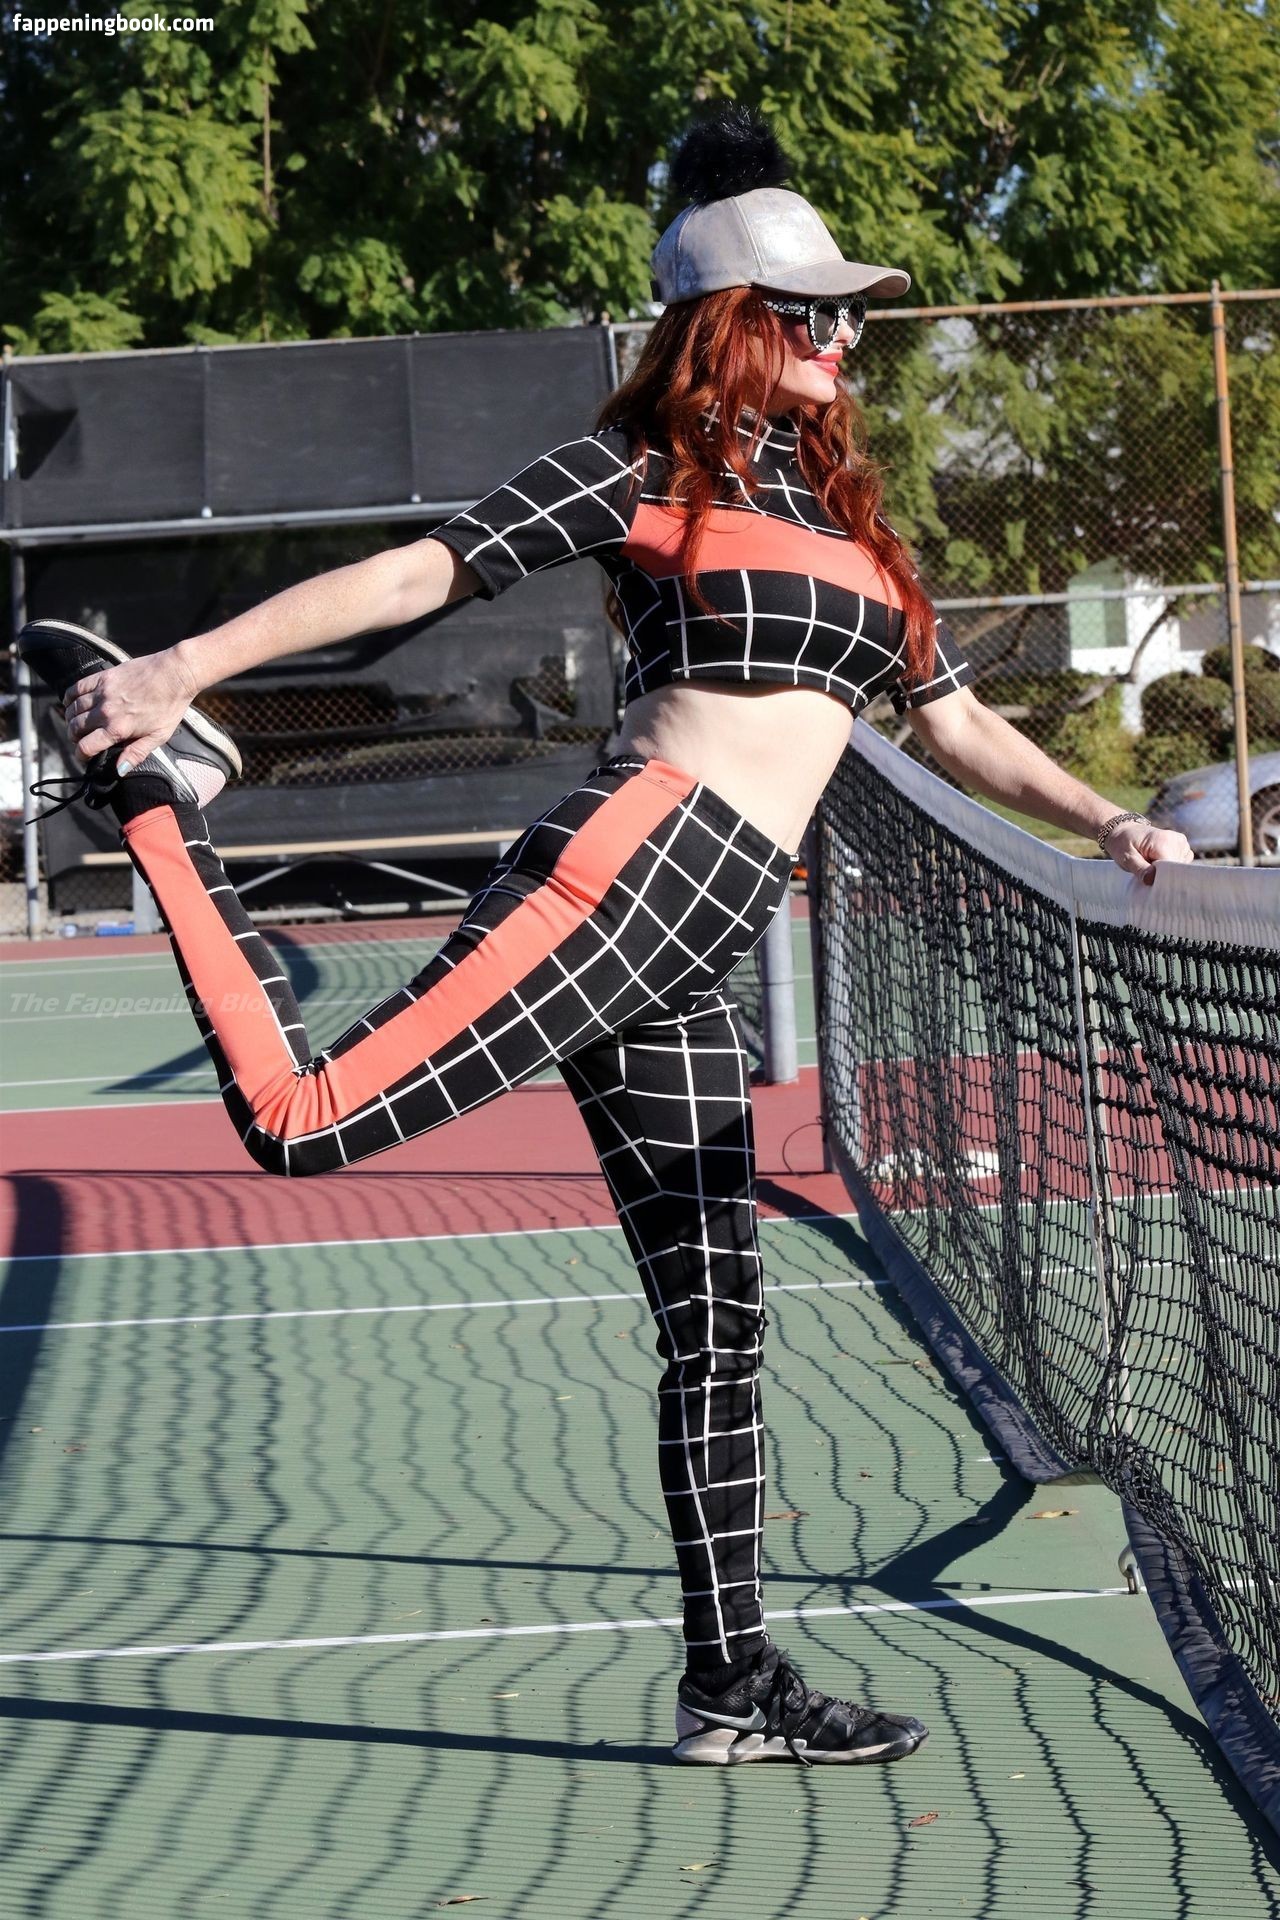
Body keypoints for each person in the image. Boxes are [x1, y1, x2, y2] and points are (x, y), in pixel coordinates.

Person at [20, 105, 1192, 1767]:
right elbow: (422, 573)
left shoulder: (865, 539)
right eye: (818, 311)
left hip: (703, 938)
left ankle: (731, 1685)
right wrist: (181, 669)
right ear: (737, 325)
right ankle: (159, 805)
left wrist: (1110, 823)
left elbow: (959, 728)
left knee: (720, 1320)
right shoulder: (642, 476)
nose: (850, 337)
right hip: (629, 874)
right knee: (299, 1121)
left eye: (853, 313)